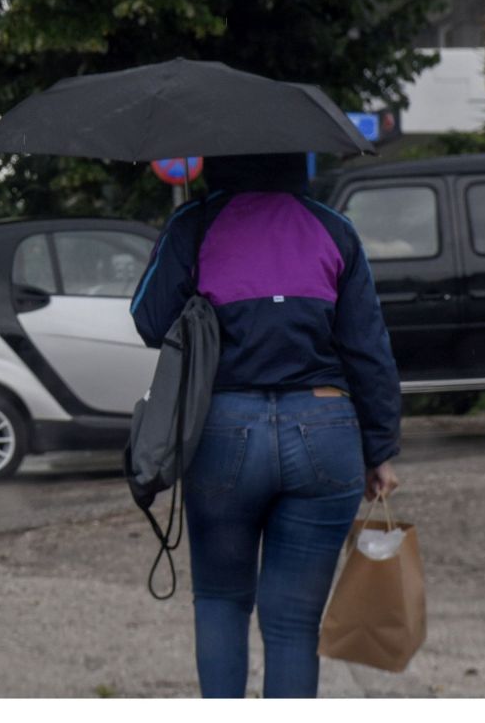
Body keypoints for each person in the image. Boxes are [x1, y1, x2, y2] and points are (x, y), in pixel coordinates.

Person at [130, 153, 402, 698]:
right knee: (293, 624)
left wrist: (188, 253)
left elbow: (148, 319)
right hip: (325, 428)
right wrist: (380, 449)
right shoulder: (334, 229)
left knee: (221, 601)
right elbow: (369, 349)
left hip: (225, 430)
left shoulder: (197, 224)